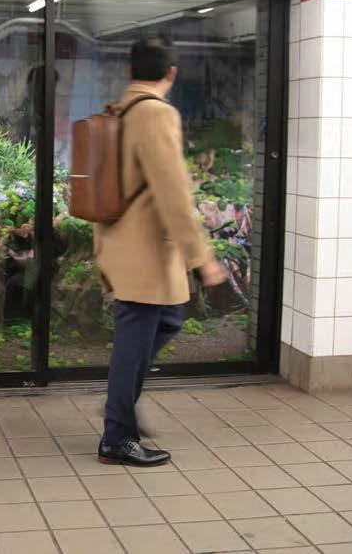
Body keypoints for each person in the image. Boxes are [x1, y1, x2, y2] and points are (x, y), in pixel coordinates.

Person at [94, 37, 227, 467]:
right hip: (144, 251)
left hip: (123, 242)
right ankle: (117, 436)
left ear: (131, 71)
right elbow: (173, 194)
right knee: (135, 342)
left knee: (168, 319)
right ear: (171, 73)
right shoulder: (156, 114)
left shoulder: (120, 110)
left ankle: (121, 398)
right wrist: (202, 259)